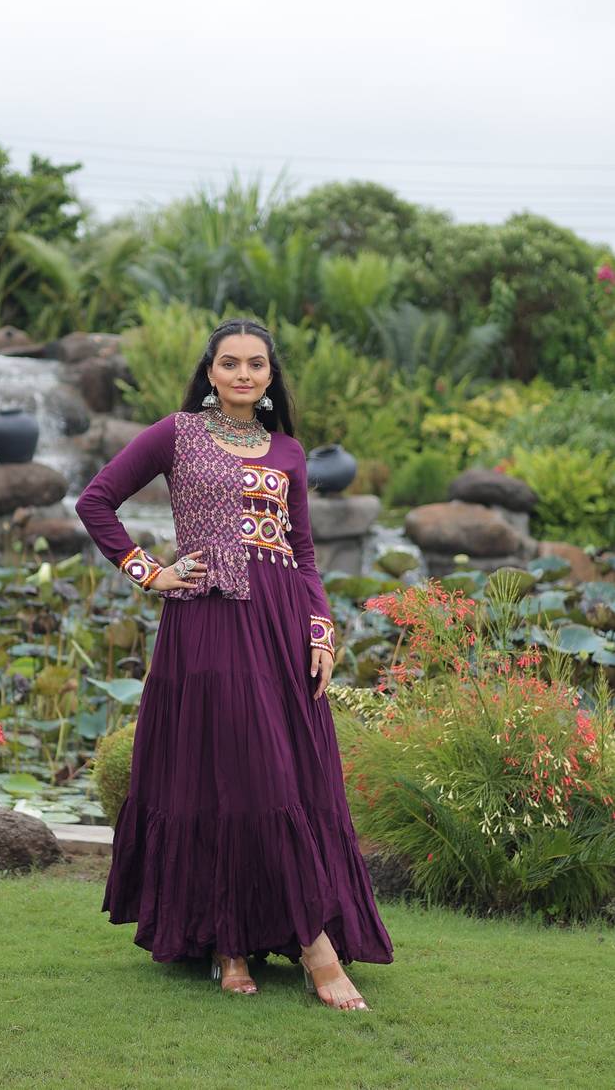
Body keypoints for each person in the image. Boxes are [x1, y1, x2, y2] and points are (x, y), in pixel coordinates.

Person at [75, 318, 394, 1011]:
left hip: (280, 626)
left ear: (271, 376)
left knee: (280, 773)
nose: (243, 374)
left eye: (256, 364)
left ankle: (246, 941)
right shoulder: (177, 433)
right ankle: (286, 949)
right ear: (210, 371)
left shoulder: (288, 451)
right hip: (208, 621)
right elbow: (95, 501)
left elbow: (302, 554)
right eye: (230, 363)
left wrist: (320, 631)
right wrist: (148, 571)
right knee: (233, 772)